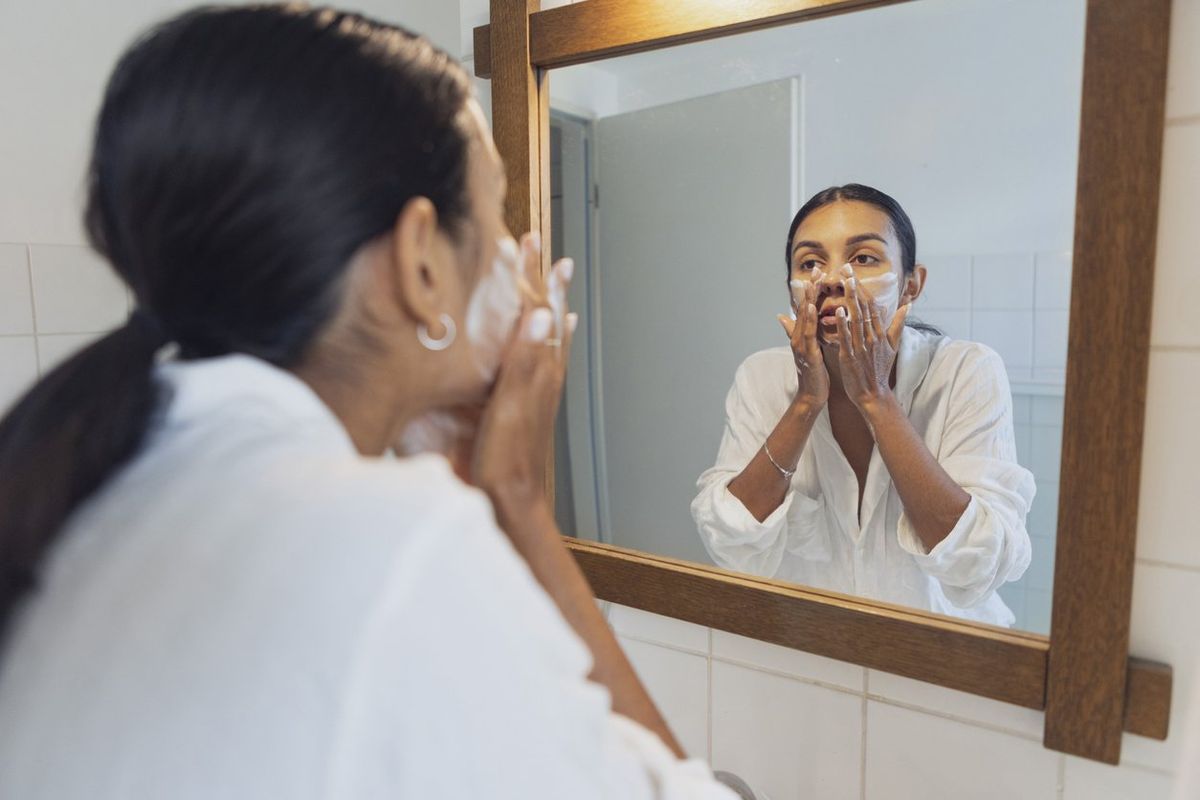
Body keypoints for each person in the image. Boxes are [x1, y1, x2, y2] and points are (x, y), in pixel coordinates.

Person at [0, 7, 733, 798]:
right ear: (421, 263)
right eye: (497, 210)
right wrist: (516, 500)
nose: (516, 252)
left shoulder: (89, 476)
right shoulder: (399, 542)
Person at [691, 184, 1033, 626]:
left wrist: (876, 398)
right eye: (810, 263)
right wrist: (805, 402)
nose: (833, 279)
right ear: (791, 289)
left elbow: (980, 563)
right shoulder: (760, 378)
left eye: (864, 258)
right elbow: (730, 543)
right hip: (814, 653)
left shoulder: (965, 371)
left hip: (947, 656)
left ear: (911, 285)